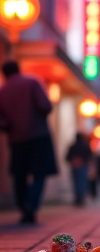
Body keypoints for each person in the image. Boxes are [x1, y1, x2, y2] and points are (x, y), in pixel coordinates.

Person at [0, 60, 57, 224]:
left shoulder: (2, 92)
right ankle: (31, 204)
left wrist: (10, 125)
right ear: (18, 69)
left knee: (20, 174)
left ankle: (23, 207)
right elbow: (45, 106)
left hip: (16, 139)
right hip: (38, 135)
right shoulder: (31, 82)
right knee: (39, 173)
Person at [66, 132, 93, 206]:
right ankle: (81, 198)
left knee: (76, 183)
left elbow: (67, 157)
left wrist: (74, 161)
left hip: (74, 167)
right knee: (83, 182)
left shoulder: (72, 146)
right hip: (83, 166)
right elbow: (90, 156)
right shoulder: (85, 146)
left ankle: (77, 198)